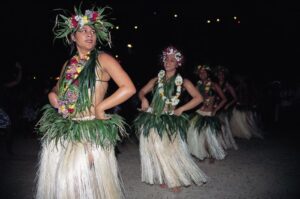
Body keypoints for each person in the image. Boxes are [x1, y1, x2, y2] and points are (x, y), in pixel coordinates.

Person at [35, 5, 136, 199]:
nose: (89, 34)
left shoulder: (103, 59)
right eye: (83, 30)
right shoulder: (69, 64)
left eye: (92, 31)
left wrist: (101, 107)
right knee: (75, 181)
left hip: (91, 126)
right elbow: (59, 87)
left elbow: (128, 87)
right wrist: (52, 94)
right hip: (69, 125)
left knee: (72, 179)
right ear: (73, 37)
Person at [134, 46, 207, 193]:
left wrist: (181, 108)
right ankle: (165, 175)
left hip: (169, 119)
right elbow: (141, 91)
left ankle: (173, 178)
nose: (168, 62)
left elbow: (199, 98)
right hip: (152, 117)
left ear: (178, 63)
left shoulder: (183, 81)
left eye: (172, 60)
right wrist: (143, 99)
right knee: (156, 148)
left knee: (169, 149)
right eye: (166, 59)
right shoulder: (156, 79)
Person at [187, 64, 227, 161]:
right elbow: (193, 98)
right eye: (200, 72)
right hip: (199, 113)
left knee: (209, 137)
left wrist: (216, 109)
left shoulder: (213, 85)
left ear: (208, 74)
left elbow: (224, 99)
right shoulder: (197, 86)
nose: (202, 74)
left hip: (209, 114)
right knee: (197, 135)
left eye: (204, 72)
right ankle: (201, 153)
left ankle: (211, 154)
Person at [214, 65, 238, 150]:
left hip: (223, 107)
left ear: (224, 75)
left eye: (222, 74)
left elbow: (235, 98)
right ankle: (218, 143)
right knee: (216, 126)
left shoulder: (227, 85)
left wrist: (228, 104)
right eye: (219, 74)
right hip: (215, 106)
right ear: (217, 75)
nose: (221, 76)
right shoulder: (214, 84)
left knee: (223, 126)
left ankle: (224, 143)